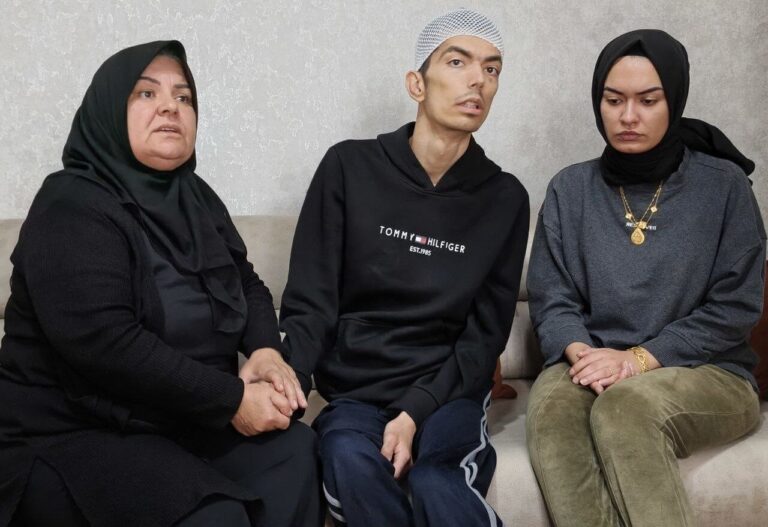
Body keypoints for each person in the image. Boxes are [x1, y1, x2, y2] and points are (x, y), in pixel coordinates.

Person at [0, 40, 321, 527]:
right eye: (146, 93)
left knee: (294, 452)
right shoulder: (69, 206)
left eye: (183, 96)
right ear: (109, 111)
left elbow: (246, 281)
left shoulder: (195, 197)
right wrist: (232, 400)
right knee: (214, 517)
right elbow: (108, 346)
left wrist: (265, 350)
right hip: (76, 431)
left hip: (179, 419)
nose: (171, 106)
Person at [279, 8, 529, 527]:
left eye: (492, 69)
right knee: (349, 460)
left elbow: (484, 337)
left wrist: (416, 410)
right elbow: (311, 300)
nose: (478, 80)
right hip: (356, 392)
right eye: (458, 62)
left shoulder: (504, 197)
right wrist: (289, 386)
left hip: (449, 391)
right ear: (417, 83)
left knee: (436, 480)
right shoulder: (348, 167)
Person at [525, 29, 764, 527]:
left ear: (673, 101)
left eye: (648, 101)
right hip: (592, 357)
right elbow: (553, 298)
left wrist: (636, 360)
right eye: (614, 100)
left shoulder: (723, 188)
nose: (628, 116)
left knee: (626, 408)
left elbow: (735, 307)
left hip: (711, 372)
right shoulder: (570, 189)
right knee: (552, 412)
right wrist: (584, 356)